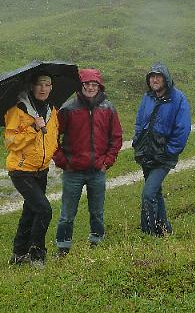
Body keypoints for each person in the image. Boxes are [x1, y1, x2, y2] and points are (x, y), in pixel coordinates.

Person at [52, 68, 123, 256]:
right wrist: (63, 162)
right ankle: (63, 247)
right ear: (80, 86)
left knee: (97, 212)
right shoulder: (68, 109)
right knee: (67, 214)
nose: (91, 88)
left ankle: (97, 242)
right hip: (72, 171)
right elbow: (53, 137)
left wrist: (107, 162)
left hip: (97, 171)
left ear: (100, 87)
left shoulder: (108, 108)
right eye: (87, 84)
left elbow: (116, 137)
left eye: (94, 85)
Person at [4, 73, 59, 267]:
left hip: (41, 170)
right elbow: (10, 142)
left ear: (51, 87)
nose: (43, 89)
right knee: (44, 210)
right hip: (21, 170)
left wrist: (57, 156)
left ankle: (18, 254)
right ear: (31, 87)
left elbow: (52, 138)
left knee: (30, 211)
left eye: (47, 85)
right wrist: (33, 129)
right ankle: (37, 254)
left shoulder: (51, 110)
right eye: (39, 84)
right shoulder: (18, 110)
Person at [132, 62, 191, 236]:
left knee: (148, 194)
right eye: (152, 76)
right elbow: (139, 121)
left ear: (166, 79)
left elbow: (183, 129)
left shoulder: (178, 99)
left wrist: (169, 151)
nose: (155, 79)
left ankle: (149, 233)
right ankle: (164, 229)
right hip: (146, 153)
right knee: (156, 192)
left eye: (158, 76)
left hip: (163, 156)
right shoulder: (147, 97)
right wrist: (138, 140)